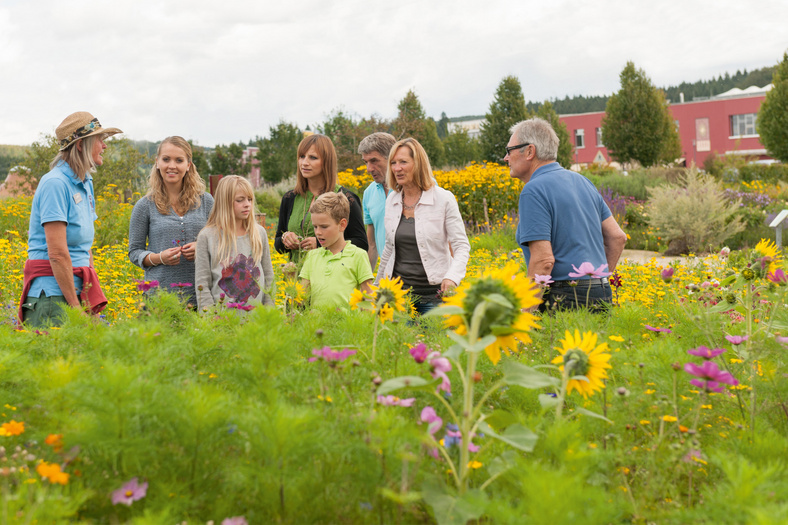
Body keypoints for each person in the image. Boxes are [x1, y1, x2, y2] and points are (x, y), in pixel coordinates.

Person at [505, 117, 627, 312]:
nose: (506, 158)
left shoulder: (533, 190)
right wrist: (598, 279)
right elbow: (617, 237)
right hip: (600, 293)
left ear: (529, 151)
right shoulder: (583, 181)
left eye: (509, 151)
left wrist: (525, 317)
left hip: (563, 299)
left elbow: (544, 261)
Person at [19, 111, 122, 327]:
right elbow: (57, 253)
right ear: (80, 145)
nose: (104, 146)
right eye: (100, 140)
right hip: (53, 298)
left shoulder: (85, 182)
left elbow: (86, 249)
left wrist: (88, 301)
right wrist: (77, 309)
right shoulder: (55, 184)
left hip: (75, 295)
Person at [376, 138, 470, 314]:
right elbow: (389, 247)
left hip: (434, 298)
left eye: (403, 162)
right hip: (398, 298)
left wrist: (452, 277)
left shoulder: (443, 199)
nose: (397, 168)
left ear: (418, 164)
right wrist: (377, 286)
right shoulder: (392, 199)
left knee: (433, 341)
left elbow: (461, 246)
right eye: (393, 163)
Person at [128, 136, 214, 307]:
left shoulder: (206, 202)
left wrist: (202, 248)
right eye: (166, 159)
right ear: (157, 162)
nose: (172, 166)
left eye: (179, 160)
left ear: (188, 165)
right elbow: (134, 252)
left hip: (202, 298)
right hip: (159, 300)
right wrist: (159, 258)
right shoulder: (145, 205)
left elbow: (223, 241)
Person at [275, 134, 367, 261]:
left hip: (331, 276)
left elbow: (361, 244)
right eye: (302, 156)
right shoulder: (290, 197)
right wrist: (285, 239)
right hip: (294, 278)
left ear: (326, 161)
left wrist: (320, 244)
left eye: (313, 157)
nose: (304, 162)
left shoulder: (346, 198)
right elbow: (277, 245)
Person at [194, 175, 274, 311]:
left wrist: (269, 313)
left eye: (249, 199)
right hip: (222, 322)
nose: (247, 204)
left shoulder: (259, 233)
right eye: (240, 200)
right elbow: (202, 283)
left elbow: (268, 276)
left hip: (258, 322)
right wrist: (209, 319)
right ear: (225, 202)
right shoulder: (207, 236)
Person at [299, 192, 374, 308]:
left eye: (324, 227)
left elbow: (369, 299)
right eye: (315, 227)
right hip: (315, 325)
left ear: (342, 225)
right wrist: (290, 276)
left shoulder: (358, 255)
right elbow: (301, 298)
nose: (318, 232)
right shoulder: (312, 256)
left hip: (347, 325)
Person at [358, 132, 396, 269]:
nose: (369, 169)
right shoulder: (369, 193)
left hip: (423, 278)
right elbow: (372, 245)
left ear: (392, 157)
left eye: (374, 161)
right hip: (388, 278)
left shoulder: (419, 186)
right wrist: (366, 283)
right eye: (366, 162)